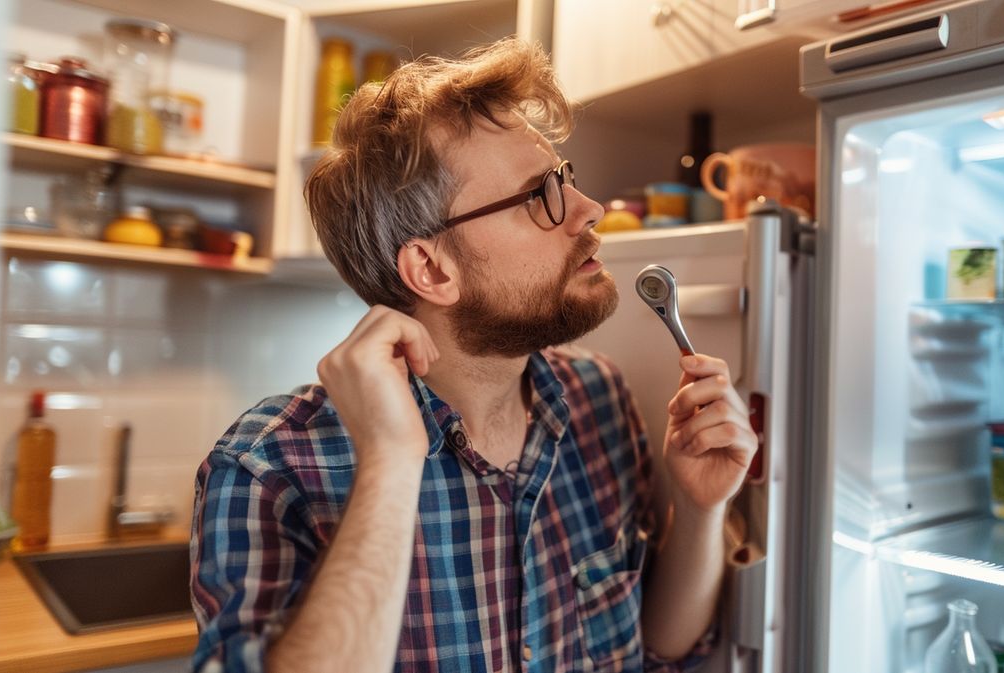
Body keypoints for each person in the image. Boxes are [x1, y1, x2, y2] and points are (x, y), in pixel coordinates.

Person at [190, 37, 759, 673]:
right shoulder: (269, 467)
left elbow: (660, 646)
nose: (589, 210)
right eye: (539, 195)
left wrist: (701, 509)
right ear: (432, 269)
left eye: (564, 178)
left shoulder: (597, 396)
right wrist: (389, 464)